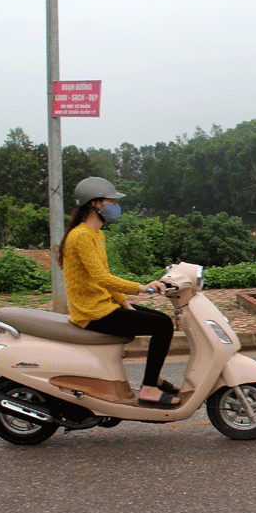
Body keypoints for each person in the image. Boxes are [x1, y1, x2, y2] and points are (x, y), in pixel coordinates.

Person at [57, 176, 181, 410]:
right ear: (96, 204)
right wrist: (141, 288)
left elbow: (103, 275)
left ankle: (152, 379)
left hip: (105, 306)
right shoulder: (81, 235)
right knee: (162, 324)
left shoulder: (97, 234)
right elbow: (101, 278)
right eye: (111, 201)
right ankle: (149, 389)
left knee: (160, 321)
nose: (115, 206)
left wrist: (125, 303)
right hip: (92, 313)